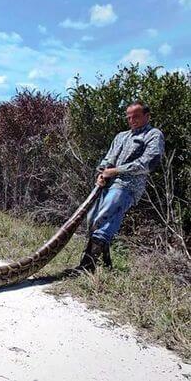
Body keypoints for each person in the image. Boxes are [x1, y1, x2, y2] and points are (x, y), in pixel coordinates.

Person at [71, 101, 165, 274]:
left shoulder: (153, 135)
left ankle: (86, 266)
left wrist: (116, 171)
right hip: (106, 184)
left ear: (146, 116)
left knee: (104, 217)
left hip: (127, 186)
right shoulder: (121, 136)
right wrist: (102, 172)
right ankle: (106, 264)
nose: (131, 120)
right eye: (129, 117)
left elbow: (149, 163)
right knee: (92, 220)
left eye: (135, 116)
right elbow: (109, 158)